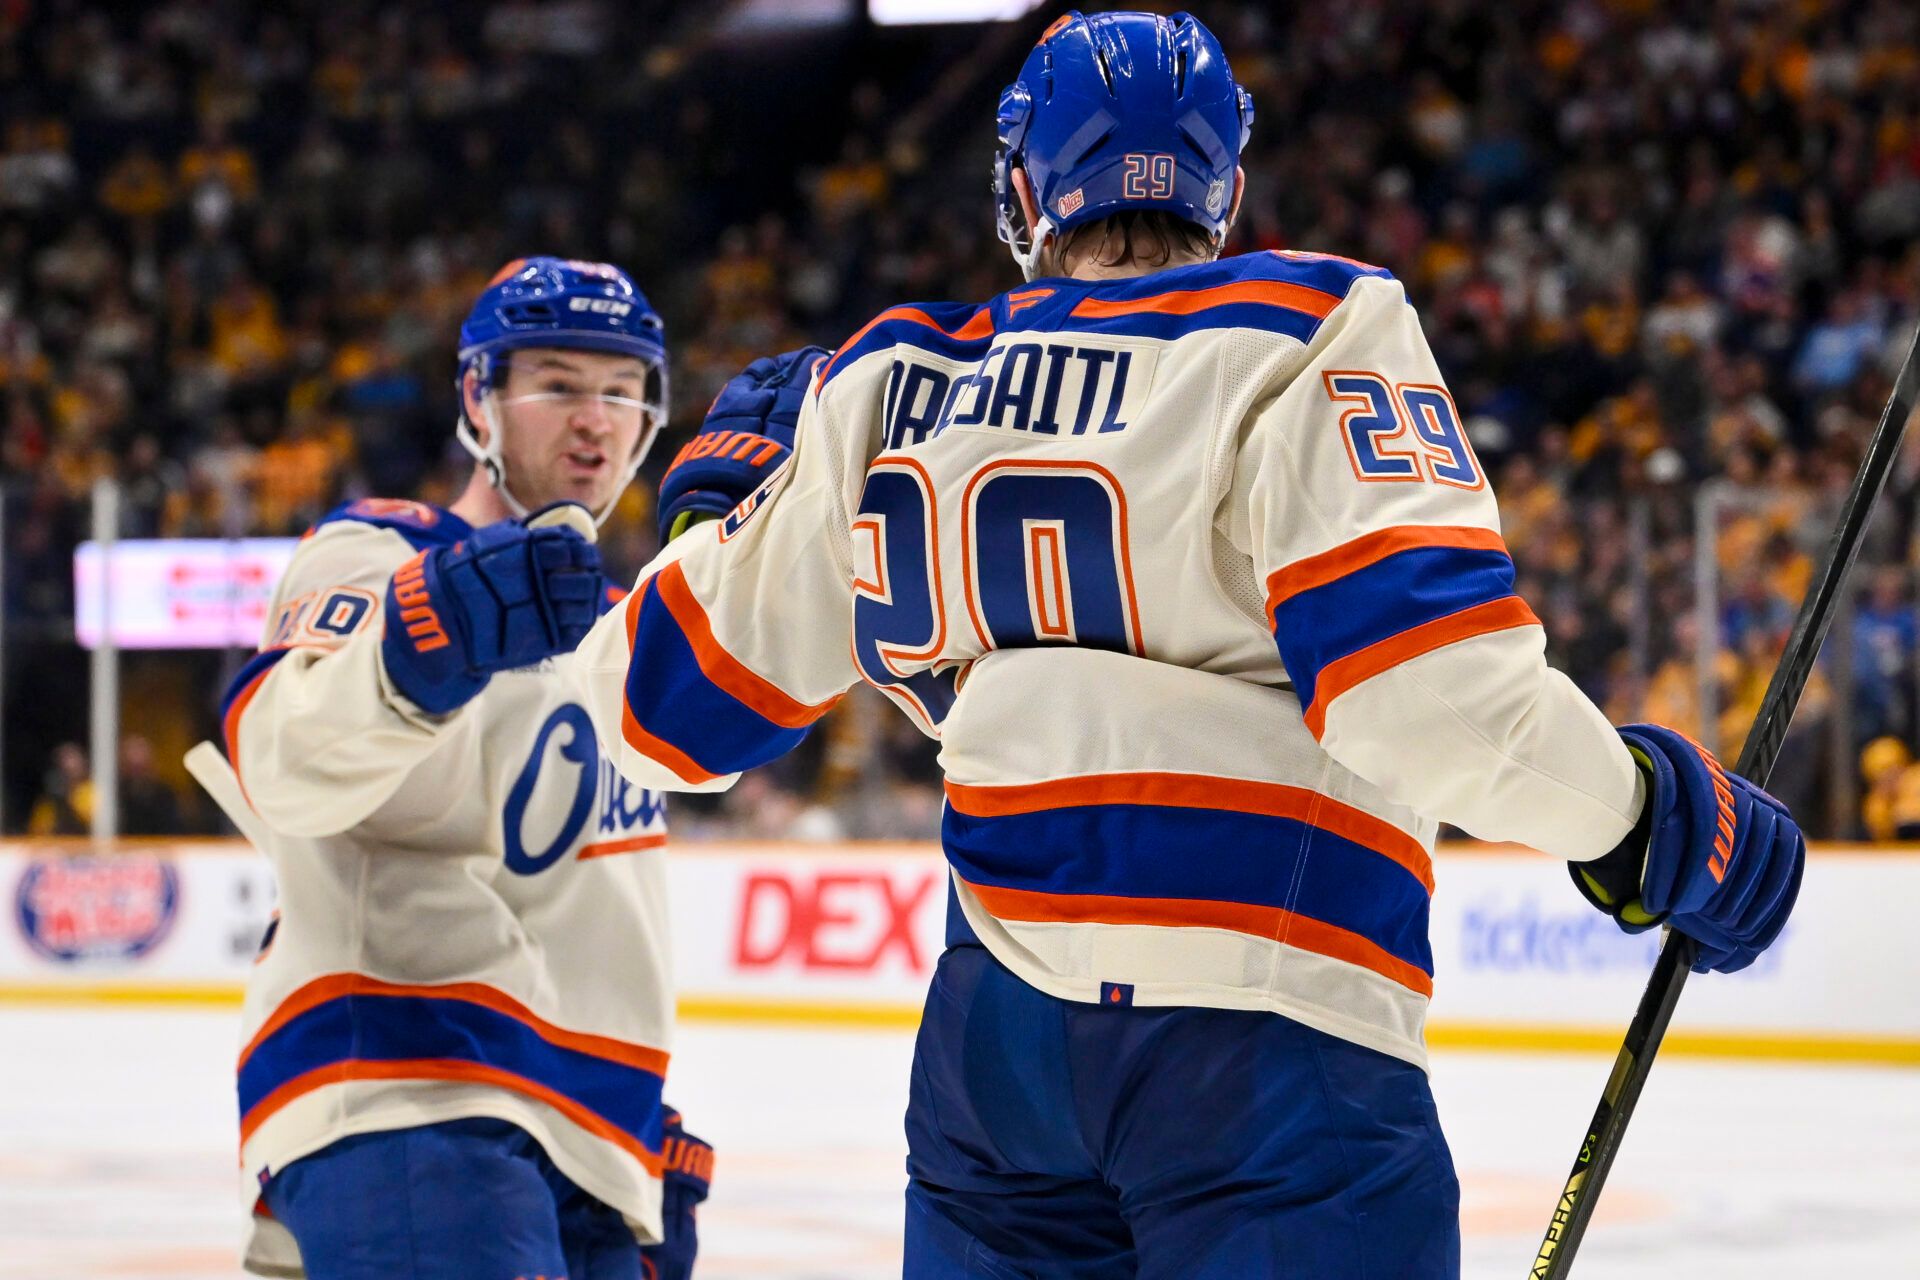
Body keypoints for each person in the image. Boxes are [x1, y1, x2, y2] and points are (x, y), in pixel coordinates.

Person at [578, 12, 1805, 1277]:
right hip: (1269, 1032)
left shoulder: (891, 378)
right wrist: (1645, 817)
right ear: (1224, 182)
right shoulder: (1307, 325)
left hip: (993, 1049)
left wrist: (712, 525)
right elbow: (1434, 699)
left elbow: (657, 714)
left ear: (1023, 185)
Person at [201, 257, 709, 1280]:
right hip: (406, 1078)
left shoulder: (618, 625)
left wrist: (630, 1127)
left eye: (621, 389)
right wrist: (416, 646)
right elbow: (283, 758)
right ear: (478, 396)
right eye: (558, 384)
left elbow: (597, 893)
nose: (595, 420)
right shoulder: (380, 553)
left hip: (586, 1126)